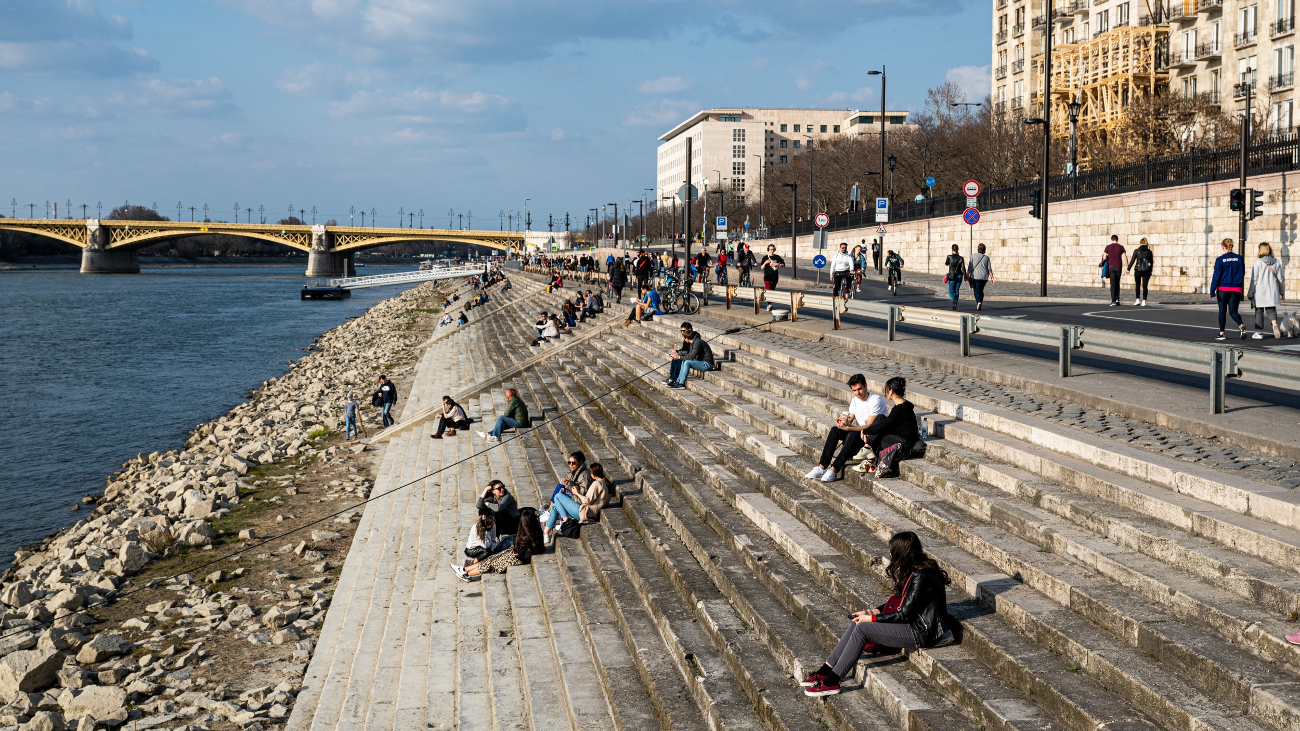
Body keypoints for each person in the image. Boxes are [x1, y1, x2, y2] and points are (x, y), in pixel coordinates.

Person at [801, 531, 960, 697]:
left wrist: (871, 618)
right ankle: (825, 671)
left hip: (922, 631)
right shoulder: (914, 569)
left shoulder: (921, 575)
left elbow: (904, 614)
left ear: (901, 552)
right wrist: (870, 612)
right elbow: (900, 601)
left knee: (863, 628)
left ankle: (831, 682)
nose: (890, 554)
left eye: (892, 551)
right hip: (913, 623)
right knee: (857, 621)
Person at [804, 374, 888, 483]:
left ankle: (834, 469)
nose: (857, 393)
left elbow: (869, 427)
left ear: (866, 386)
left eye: (860, 389)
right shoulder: (855, 400)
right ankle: (822, 467)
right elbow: (850, 419)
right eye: (854, 390)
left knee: (852, 434)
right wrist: (843, 422)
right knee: (835, 430)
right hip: (862, 435)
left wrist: (848, 428)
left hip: (873, 440)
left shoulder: (875, 400)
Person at [455, 507, 543, 581]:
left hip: (517, 558)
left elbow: (532, 550)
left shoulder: (531, 535)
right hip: (514, 552)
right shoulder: (534, 532)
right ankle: (464, 570)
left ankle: (465, 572)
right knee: (492, 558)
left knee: (491, 564)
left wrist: (519, 553)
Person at [863, 377, 922, 478]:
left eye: (886, 389)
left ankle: (868, 452)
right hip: (902, 439)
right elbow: (886, 424)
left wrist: (864, 430)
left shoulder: (899, 410)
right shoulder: (904, 405)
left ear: (891, 391)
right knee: (880, 417)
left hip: (904, 445)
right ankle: (868, 450)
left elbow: (882, 426)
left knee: (879, 434)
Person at [543, 451, 593, 545]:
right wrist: (568, 482)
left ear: (580, 462)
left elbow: (582, 496)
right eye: (569, 462)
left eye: (573, 462)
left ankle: (566, 521)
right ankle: (545, 534)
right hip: (576, 506)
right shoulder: (576, 472)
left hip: (581, 509)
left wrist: (569, 485)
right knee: (555, 506)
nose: (571, 465)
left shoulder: (584, 476)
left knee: (558, 496)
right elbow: (571, 482)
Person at [1211, 238, 1247, 341]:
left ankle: (1222, 333)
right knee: (1233, 311)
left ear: (1223, 246)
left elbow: (1216, 276)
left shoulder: (1220, 259)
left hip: (1223, 289)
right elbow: (1242, 272)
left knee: (1222, 311)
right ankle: (1241, 325)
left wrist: (1212, 289)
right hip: (1236, 289)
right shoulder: (1239, 258)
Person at [1248, 242, 1286, 339]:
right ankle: (1274, 325)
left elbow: (1254, 279)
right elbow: (1280, 278)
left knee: (1259, 311)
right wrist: (1282, 291)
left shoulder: (1257, 262)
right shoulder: (1277, 262)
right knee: (1271, 309)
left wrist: (1250, 292)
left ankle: (1259, 333)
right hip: (1272, 290)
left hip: (1260, 291)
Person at [665, 322, 715, 389]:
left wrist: (678, 357)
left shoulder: (697, 342)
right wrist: (677, 354)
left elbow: (691, 357)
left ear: (686, 338)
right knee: (684, 360)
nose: (684, 340)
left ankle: (681, 383)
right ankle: (678, 381)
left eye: (684, 338)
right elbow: (688, 354)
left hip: (707, 364)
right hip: (700, 361)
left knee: (687, 362)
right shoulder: (693, 342)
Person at [1102, 234, 1128, 306]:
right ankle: (1117, 299)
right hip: (1118, 266)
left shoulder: (1108, 247)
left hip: (1111, 266)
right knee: (1117, 282)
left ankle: (1113, 300)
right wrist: (1127, 266)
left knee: (1112, 283)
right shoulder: (1121, 247)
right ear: (1117, 240)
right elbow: (1125, 257)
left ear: (1111, 239)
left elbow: (1104, 257)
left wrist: (1102, 263)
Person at [1129, 237, 1154, 306]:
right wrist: (1150, 270)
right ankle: (1144, 301)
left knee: (1137, 285)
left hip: (1138, 270)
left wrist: (1128, 268)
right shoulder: (1149, 252)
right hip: (1146, 270)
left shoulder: (1137, 251)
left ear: (1140, 243)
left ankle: (1137, 299)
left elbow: (1132, 260)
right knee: (1145, 286)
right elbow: (1151, 262)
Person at [968, 244, 993, 310]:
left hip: (975, 276)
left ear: (978, 249)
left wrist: (967, 276)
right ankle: (980, 302)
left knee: (976, 290)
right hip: (984, 277)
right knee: (981, 290)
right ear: (984, 250)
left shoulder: (973, 256)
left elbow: (970, 268)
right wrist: (992, 277)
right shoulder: (987, 258)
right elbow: (989, 268)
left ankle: (978, 302)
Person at [944, 245, 966, 310]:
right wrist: (965, 278)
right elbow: (963, 268)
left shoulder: (949, 257)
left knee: (951, 290)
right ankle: (955, 302)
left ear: (952, 249)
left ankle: (953, 300)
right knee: (956, 290)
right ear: (958, 249)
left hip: (952, 275)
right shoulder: (961, 258)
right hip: (959, 275)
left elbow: (946, 263)